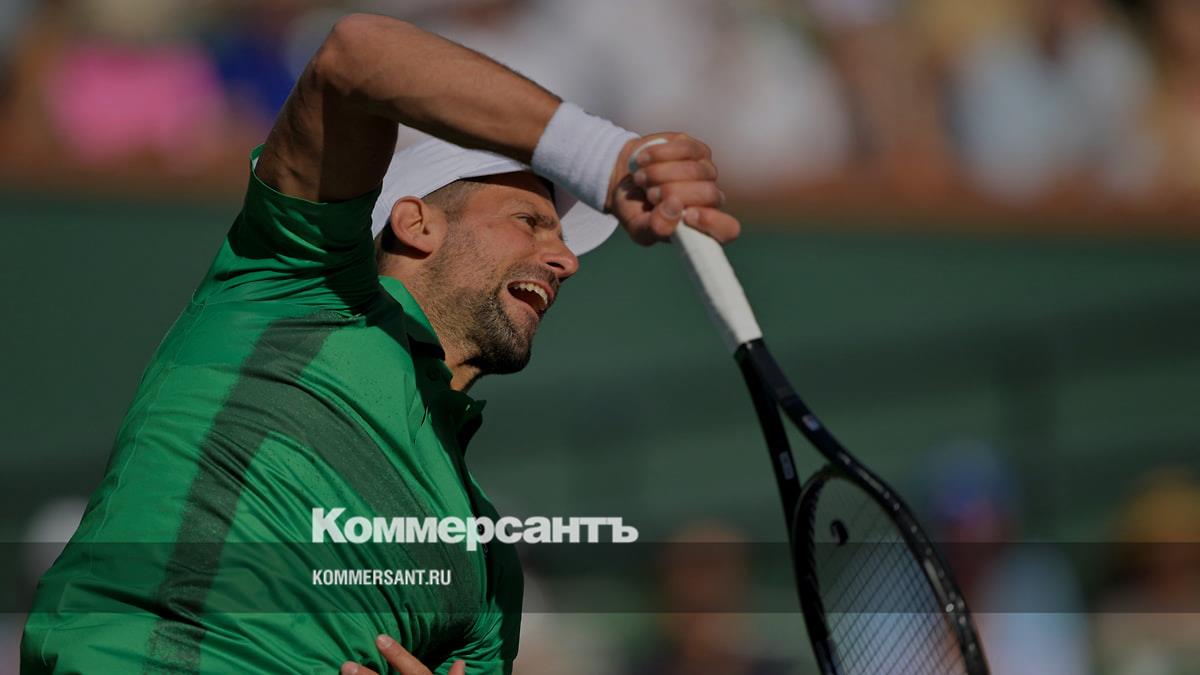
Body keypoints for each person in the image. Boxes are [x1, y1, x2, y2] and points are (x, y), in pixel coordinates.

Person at [21, 13, 738, 675]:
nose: (566, 259)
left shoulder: (488, 563)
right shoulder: (290, 287)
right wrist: (602, 155)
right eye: (529, 221)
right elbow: (355, 56)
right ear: (415, 223)